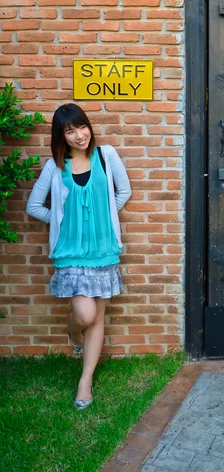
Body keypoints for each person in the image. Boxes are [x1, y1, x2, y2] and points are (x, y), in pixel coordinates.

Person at [26, 103, 132, 410]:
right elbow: (34, 206)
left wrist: (104, 216)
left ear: (89, 127)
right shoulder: (55, 167)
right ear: (61, 136)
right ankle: (74, 331)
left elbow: (123, 192)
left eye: (81, 127)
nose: (78, 135)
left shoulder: (106, 156)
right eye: (70, 131)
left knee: (98, 317)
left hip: (104, 250)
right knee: (85, 316)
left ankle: (85, 382)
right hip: (71, 254)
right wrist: (62, 221)